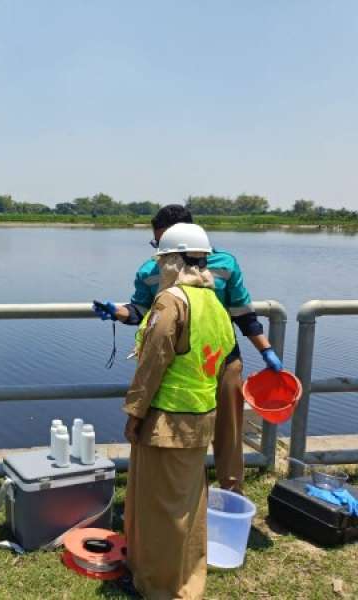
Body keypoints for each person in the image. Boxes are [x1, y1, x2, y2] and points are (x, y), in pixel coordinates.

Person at [95, 204, 282, 493]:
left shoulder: (225, 264)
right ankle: (183, 492)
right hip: (177, 366)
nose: (160, 252)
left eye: (163, 244)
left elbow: (243, 314)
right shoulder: (149, 270)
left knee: (228, 430)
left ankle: (231, 493)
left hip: (220, 359)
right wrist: (118, 311)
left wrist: (266, 351)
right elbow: (143, 312)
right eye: (157, 244)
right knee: (175, 431)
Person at [123, 223, 235, 599]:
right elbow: (219, 361)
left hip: (166, 422)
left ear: (172, 261)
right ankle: (188, 580)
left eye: (162, 262)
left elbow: (153, 362)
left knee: (161, 510)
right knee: (188, 505)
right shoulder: (214, 303)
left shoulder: (172, 301)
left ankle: (161, 587)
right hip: (201, 419)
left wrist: (135, 413)